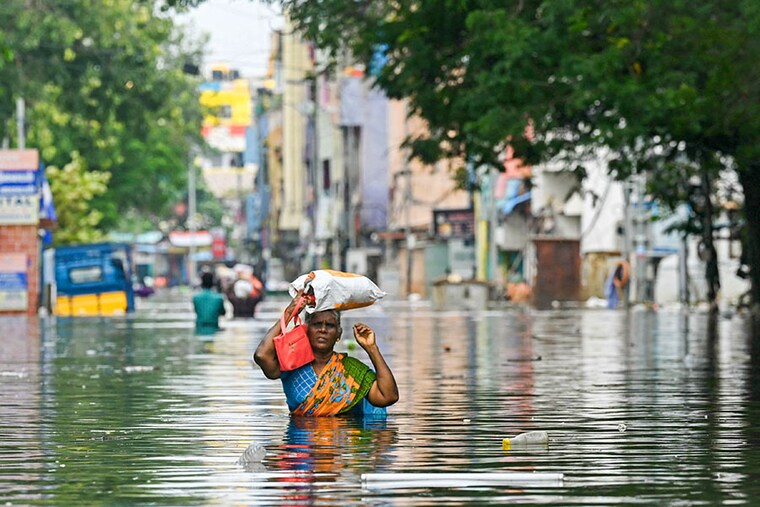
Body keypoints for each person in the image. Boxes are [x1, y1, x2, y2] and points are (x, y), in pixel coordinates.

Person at [253, 289, 399, 417]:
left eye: (329, 325)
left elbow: (388, 396)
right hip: (300, 444)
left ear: (338, 334)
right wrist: (290, 312)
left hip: (342, 445)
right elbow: (261, 355)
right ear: (306, 330)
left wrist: (372, 348)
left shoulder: (352, 370)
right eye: (317, 325)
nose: (323, 329)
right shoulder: (292, 365)